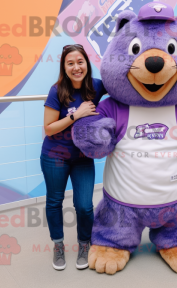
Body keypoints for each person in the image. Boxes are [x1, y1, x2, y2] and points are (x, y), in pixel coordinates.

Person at [40, 44, 107, 271]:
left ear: (86, 64)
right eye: (70, 63)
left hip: (82, 157)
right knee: (54, 201)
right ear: (64, 67)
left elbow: (123, 85)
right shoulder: (56, 90)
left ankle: (84, 243)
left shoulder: (97, 87)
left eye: (80, 62)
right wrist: (75, 115)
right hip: (54, 156)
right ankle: (58, 245)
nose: (76, 67)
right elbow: (49, 129)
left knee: (84, 206)